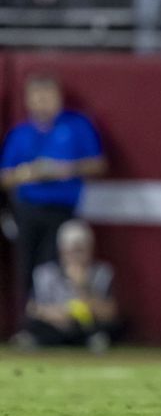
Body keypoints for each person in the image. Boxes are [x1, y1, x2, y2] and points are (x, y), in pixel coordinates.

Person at [0, 73, 106, 315]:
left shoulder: (76, 125)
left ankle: (60, 321)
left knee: (56, 266)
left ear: (59, 98)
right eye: (36, 96)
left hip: (61, 210)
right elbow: (5, 176)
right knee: (26, 266)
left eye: (47, 95)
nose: (42, 101)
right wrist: (27, 174)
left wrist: (64, 169)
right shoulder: (20, 133)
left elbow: (98, 164)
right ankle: (28, 323)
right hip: (27, 209)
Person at [10, 219, 117, 352]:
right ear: (61, 250)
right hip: (54, 323)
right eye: (71, 250)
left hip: (84, 324)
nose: (75, 256)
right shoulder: (45, 273)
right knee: (33, 325)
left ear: (90, 249)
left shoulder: (101, 272)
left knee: (109, 327)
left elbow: (109, 312)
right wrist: (54, 314)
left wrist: (82, 287)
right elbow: (32, 308)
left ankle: (91, 339)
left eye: (80, 250)